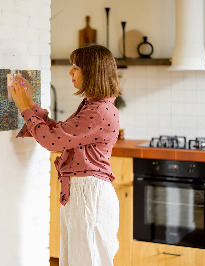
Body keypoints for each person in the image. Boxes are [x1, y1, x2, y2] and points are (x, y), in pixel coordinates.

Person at [9, 44, 121, 266]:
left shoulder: (98, 111)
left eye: (76, 67)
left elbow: (52, 141)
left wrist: (24, 107)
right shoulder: (94, 106)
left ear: (92, 72)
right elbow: (60, 133)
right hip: (84, 193)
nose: (70, 72)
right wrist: (30, 103)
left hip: (89, 195)